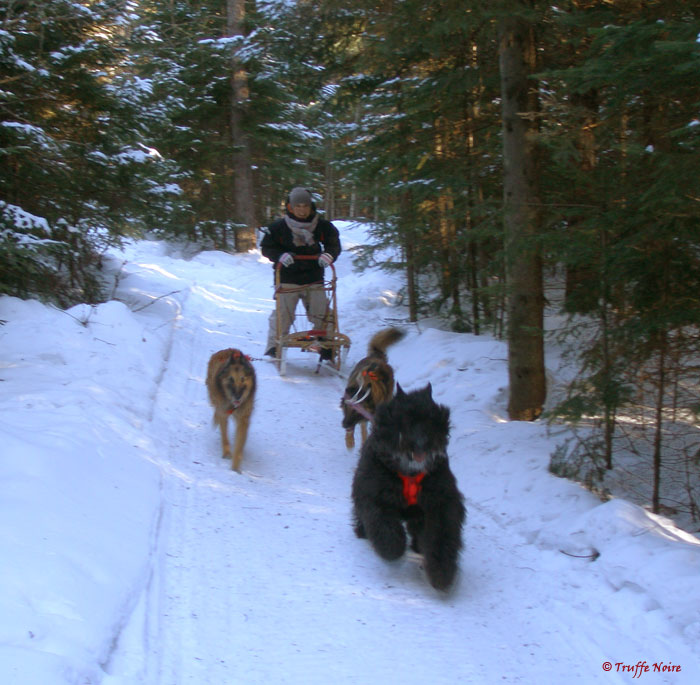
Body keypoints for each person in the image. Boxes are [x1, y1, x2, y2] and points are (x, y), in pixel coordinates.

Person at [260, 187, 342, 361]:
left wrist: (329, 255)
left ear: (311, 206)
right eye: (298, 206)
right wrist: (279, 256)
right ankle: (274, 347)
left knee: (323, 313)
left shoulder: (322, 226)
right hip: (288, 278)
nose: (302, 210)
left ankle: (326, 346)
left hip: (314, 277)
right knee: (283, 314)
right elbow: (267, 247)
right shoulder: (278, 227)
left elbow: (334, 244)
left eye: (305, 206)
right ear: (290, 207)